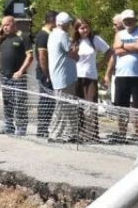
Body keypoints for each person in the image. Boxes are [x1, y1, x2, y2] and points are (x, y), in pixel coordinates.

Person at [104, 9, 138, 142]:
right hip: (121, 74)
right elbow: (116, 49)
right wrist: (133, 47)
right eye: (125, 20)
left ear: (135, 19)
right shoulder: (119, 33)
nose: (128, 22)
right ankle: (122, 134)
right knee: (121, 106)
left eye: (130, 19)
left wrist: (124, 45)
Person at [0, 15, 32, 135]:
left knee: (20, 102)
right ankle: (8, 126)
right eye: (3, 25)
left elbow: (30, 56)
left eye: (7, 25)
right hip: (5, 76)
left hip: (18, 77)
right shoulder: (3, 38)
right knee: (7, 102)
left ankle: (21, 127)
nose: (5, 28)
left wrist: (21, 71)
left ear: (14, 24)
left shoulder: (23, 37)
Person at [73, 17, 109, 143]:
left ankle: (93, 134)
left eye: (86, 27)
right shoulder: (74, 41)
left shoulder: (95, 40)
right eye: (82, 28)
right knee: (79, 105)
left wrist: (101, 64)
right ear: (77, 29)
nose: (84, 30)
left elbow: (109, 51)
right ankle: (80, 132)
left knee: (91, 105)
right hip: (77, 76)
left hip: (91, 76)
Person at [46, 12, 80, 143]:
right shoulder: (62, 35)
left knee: (64, 105)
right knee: (64, 106)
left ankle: (67, 133)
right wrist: (76, 50)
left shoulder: (53, 34)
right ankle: (57, 134)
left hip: (61, 75)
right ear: (66, 24)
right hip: (64, 76)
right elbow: (72, 52)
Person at [33, 11, 57, 138]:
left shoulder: (50, 34)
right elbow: (42, 57)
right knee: (46, 101)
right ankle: (42, 129)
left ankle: (44, 128)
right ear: (52, 21)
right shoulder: (43, 36)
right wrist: (47, 74)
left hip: (48, 73)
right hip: (45, 74)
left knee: (49, 101)